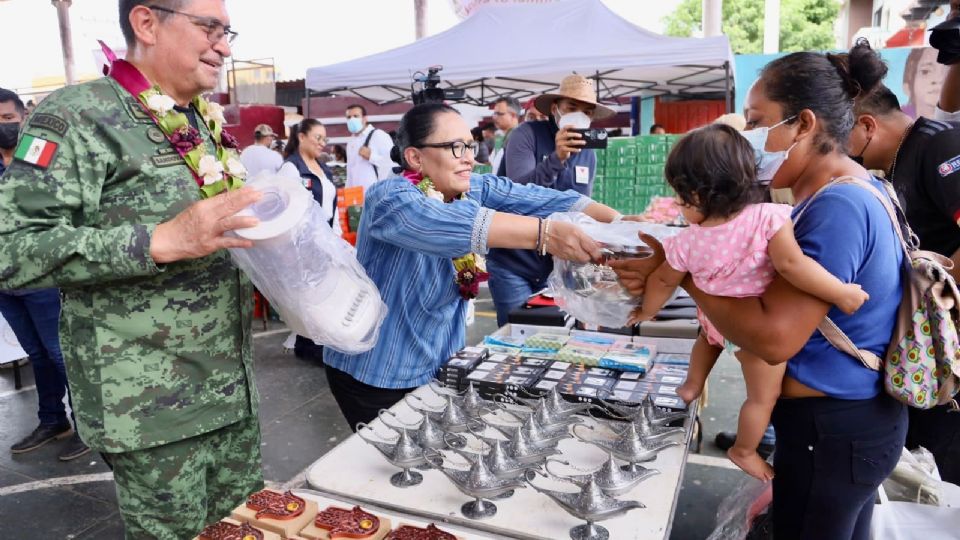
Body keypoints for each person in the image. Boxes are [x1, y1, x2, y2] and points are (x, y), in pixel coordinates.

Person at [613, 40, 906, 540]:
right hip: (844, 424)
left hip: (833, 427)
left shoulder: (836, 208)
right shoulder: (847, 190)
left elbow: (774, 339)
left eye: (756, 120)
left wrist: (688, 274)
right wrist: (678, 261)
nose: (748, 137)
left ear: (804, 124)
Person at [0, 1, 266, 537]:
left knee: (246, 530)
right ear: (146, 24)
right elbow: (11, 249)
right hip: (151, 406)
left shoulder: (198, 118)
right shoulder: (76, 115)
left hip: (231, 390)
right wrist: (157, 241)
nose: (224, 46)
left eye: (227, 30)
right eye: (209, 28)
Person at [323, 103, 620, 430]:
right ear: (415, 158)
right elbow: (450, 225)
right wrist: (546, 235)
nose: (469, 157)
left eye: (470, 145)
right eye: (455, 147)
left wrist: (620, 222)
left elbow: (537, 197)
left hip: (438, 363)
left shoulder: (469, 188)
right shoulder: (390, 198)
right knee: (393, 466)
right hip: (376, 372)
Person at [632, 123, 869, 480]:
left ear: (695, 195)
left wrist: (645, 310)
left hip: (715, 321)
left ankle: (691, 385)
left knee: (705, 342)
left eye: (680, 198)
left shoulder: (685, 242)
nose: (680, 207)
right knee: (762, 399)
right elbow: (793, 266)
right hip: (751, 330)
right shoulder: (768, 219)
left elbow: (664, 280)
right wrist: (841, 292)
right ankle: (744, 450)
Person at [848, 83, 960, 484]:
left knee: (944, 471)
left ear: (866, 125)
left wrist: (928, 307)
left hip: (943, 343)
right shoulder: (896, 163)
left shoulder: (939, 146)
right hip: (921, 348)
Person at [0, 88, 90, 462]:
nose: (2, 127)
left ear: (23, 116)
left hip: (40, 274)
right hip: (4, 279)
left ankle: (87, 425)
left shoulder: (37, 154)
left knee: (59, 353)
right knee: (36, 352)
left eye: (7, 118)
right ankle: (52, 419)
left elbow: (54, 204)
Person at [486, 74, 615, 326]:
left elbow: (579, 204)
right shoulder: (526, 135)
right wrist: (557, 158)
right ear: (555, 108)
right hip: (514, 261)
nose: (579, 116)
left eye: (586, 111)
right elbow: (518, 194)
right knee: (517, 334)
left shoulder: (588, 152)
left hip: (557, 267)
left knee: (555, 336)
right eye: (572, 108)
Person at [345, 103, 396, 191]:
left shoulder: (378, 135)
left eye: (356, 116)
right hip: (356, 198)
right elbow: (350, 173)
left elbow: (393, 164)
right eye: (349, 117)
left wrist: (371, 156)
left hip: (376, 194)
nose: (352, 119)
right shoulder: (350, 142)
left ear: (365, 118)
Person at [902, 47, 947, 120]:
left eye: (947, 71)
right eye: (925, 72)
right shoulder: (892, 124)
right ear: (907, 87)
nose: (938, 79)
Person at [490, 96, 521, 176]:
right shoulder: (500, 137)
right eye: (494, 113)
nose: (495, 117)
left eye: (499, 114)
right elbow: (494, 167)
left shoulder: (520, 139)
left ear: (513, 115)